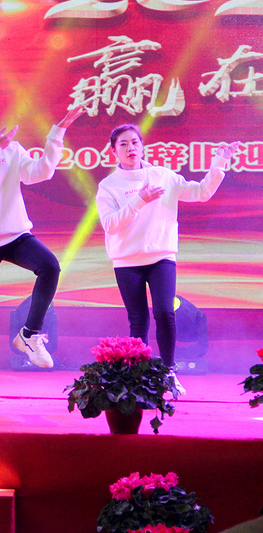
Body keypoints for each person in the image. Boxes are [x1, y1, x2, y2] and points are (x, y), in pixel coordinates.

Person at [0, 84, 83, 408]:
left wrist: (57, 134)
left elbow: (41, 172)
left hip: (13, 233)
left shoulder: (11, 147)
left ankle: (29, 335)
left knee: (50, 267)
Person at [95, 124, 237, 396]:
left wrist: (220, 162)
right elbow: (111, 225)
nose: (130, 148)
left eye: (135, 142)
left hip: (161, 256)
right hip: (127, 261)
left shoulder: (162, 176)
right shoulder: (109, 186)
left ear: (142, 146)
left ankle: (169, 372)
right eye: (123, 144)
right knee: (138, 320)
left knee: (164, 312)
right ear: (113, 151)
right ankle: (137, 376)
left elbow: (201, 192)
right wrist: (138, 200)